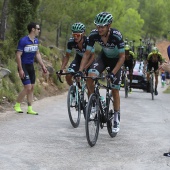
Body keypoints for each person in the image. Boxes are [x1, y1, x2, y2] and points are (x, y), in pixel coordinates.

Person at [76, 12, 125, 133]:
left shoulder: (117, 36)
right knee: (90, 77)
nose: (99, 29)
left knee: (114, 89)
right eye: (98, 26)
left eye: (102, 26)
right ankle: (94, 104)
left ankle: (116, 117)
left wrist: (113, 73)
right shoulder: (94, 35)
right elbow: (87, 54)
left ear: (109, 25)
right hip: (103, 58)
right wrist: (80, 70)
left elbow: (122, 57)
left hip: (116, 61)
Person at [14, 22, 47, 115]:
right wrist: (20, 69)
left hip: (31, 66)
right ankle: (17, 104)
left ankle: (29, 108)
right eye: (38, 29)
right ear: (33, 29)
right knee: (27, 87)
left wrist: (43, 66)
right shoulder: (23, 41)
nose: (39, 30)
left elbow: (37, 54)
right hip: (23, 65)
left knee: (31, 88)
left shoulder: (36, 41)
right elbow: (18, 55)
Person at [60, 22, 95, 96]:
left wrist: (84, 68)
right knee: (69, 75)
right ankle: (74, 89)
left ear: (83, 34)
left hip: (89, 60)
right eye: (74, 35)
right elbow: (67, 56)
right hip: (78, 59)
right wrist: (61, 69)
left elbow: (92, 57)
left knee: (89, 82)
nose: (75, 37)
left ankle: (90, 102)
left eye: (78, 35)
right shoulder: (71, 42)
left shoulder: (88, 41)